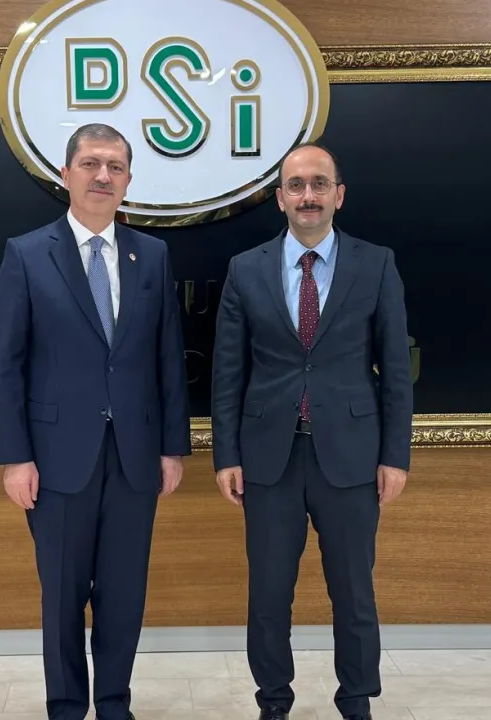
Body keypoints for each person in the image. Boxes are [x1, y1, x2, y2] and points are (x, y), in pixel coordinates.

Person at [0, 122, 191, 720]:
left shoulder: (151, 255)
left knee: (124, 593)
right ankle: (66, 707)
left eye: (115, 166)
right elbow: (8, 365)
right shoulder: (27, 253)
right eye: (91, 163)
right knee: (62, 594)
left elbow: (167, 357)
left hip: (135, 456)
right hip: (56, 459)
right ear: (66, 174)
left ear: (128, 180)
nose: (103, 175)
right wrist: (15, 457)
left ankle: (114, 704)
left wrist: (172, 448)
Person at [210, 142, 414, 720]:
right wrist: (226, 454)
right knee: (269, 596)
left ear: (338, 195)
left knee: (353, 593)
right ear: (279, 198)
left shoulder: (376, 264)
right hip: (267, 459)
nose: (308, 196)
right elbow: (228, 372)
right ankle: (273, 702)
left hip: (351, 458)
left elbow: (395, 368)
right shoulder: (245, 269)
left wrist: (395, 456)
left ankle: (357, 700)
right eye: (296, 185)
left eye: (319, 184)